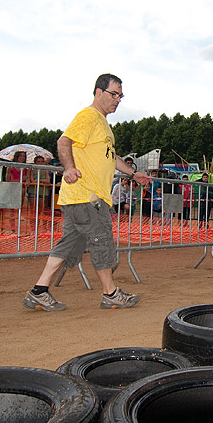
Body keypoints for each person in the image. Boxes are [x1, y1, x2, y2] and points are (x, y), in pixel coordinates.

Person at [23, 73, 151, 312]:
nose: (118, 100)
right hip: (88, 196)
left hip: (80, 197)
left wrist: (133, 174)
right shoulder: (89, 116)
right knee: (102, 241)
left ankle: (39, 291)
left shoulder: (103, 124)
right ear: (98, 92)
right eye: (114, 94)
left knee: (69, 244)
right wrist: (69, 167)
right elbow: (64, 142)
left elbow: (111, 159)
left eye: (121, 96)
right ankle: (110, 293)